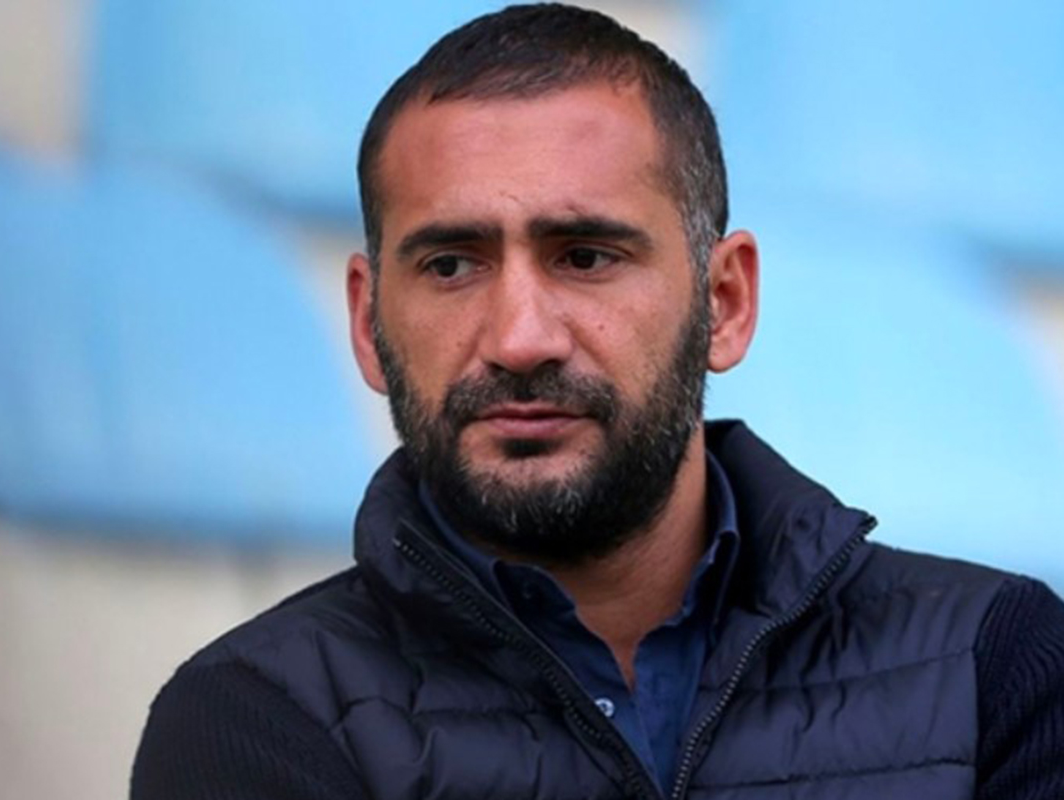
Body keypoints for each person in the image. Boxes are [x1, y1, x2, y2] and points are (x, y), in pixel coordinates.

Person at [130, 5, 1064, 799]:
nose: (520, 338)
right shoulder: (256, 722)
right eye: (451, 265)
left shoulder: (994, 668)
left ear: (725, 302)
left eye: (584, 257)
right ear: (369, 324)